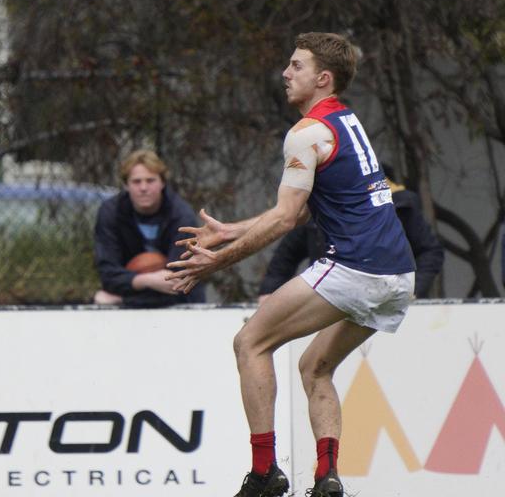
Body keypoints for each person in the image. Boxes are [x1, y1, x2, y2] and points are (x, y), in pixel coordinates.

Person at [168, 33, 415, 497]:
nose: (286, 72)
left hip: (356, 268)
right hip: (398, 275)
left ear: (323, 78)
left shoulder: (305, 133)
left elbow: (284, 220)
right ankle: (328, 478)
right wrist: (230, 230)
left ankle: (265, 474)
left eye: (297, 66)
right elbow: (299, 210)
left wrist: (215, 262)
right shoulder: (344, 121)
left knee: (250, 343)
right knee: (314, 367)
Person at [258, 170, 443, 302]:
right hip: (331, 302)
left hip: (386, 302)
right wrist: (269, 293)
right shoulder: (319, 207)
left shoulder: (398, 205)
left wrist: (413, 290)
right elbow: (286, 257)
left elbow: (430, 251)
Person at [92, 149, 205, 307]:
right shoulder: (111, 213)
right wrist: (145, 280)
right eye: (136, 181)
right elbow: (108, 274)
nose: (143, 187)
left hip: (180, 305)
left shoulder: (181, 216)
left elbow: (179, 281)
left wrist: (123, 299)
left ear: (162, 183)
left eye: (150, 180)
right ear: (126, 185)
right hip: (128, 304)